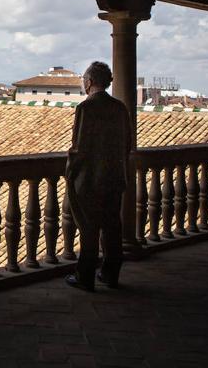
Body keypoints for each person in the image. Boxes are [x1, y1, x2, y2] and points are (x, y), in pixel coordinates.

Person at [64, 61, 132, 292]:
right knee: (112, 227)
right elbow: (127, 144)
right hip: (115, 178)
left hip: (90, 180)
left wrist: (70, 172)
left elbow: (79, 147)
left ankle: (85, 276)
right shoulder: (120, 108)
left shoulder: (86, 108)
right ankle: (110, 273)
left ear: (90, 81)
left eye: (84, 80)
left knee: (89, 228)